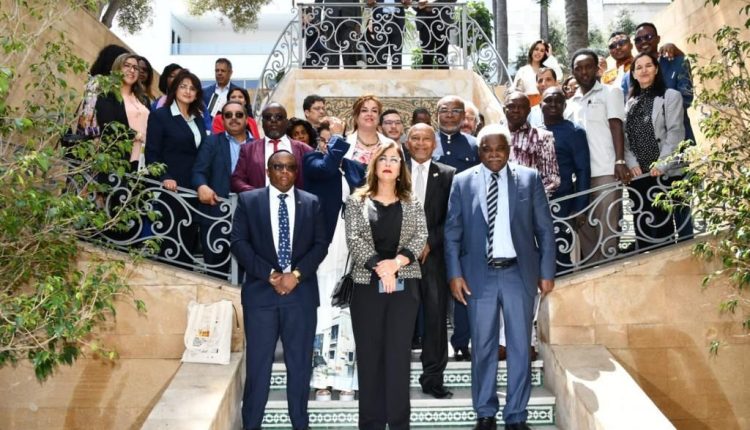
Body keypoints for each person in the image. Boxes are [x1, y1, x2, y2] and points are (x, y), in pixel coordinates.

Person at [444, 124, 555, 430]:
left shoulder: (529, 178)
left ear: (509, 149)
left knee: (520, 346)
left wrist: (546, 271)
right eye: (487, 149)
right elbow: (452, 233)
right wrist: (454, 274)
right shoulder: (462, 181)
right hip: (478, 276)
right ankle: (485, 412)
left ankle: (516, 415)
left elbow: (545, 229)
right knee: (482, 347)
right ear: (479, 151)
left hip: (519, 273)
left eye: (499, 149)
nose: (494, 155)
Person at [231, 150, 328, 430]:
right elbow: (239, 243)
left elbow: (320, 244)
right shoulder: (249, 201)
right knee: (258, 366)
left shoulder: (311, 202)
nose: (284, 172)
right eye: (278, 166)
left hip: (300, 295)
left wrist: (295, 275)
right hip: (261, 295)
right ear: (268, 171)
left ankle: (300, 423)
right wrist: (270, 274)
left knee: (300, 366)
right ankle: (252, 424)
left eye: (290, 167)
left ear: (296, 172)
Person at [344, 140, 428, 430]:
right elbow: (354, 239)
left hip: (405, 287)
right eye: (383, 159)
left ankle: (399, 424)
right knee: (369, 357)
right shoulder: (356, 201)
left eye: (394, 159)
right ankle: (371, 424)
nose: (389, 164)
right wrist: (382, 267)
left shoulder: (412, 202)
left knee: (398, 357)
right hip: (367, 286)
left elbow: (420, 237)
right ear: (374, 165)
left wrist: (395, 264)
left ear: (401, 167)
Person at [303, 116, 366, 401]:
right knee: (324, 311)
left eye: (338, 140)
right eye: (326, 140)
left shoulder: (356, 168)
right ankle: (322, 380)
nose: (331, 145)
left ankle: (346, 379)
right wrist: (338, 142)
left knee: (349, 311)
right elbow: (328, 167)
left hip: (352, 247)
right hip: (324, 247)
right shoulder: (312, 162)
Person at [405, 123, 456, 399]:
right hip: (399, 258)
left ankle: (433, 378)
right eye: (415, 138)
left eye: (426, 139)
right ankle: (395, 378)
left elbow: (452, 217)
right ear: (407, 143)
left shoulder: (448, 174)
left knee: (436, 318)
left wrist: (428, 241)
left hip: (434, 257)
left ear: (434, 144)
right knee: (399, 318)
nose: (421, 143)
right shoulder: (394, 170)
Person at [568, 49, 630, 264]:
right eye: (579, 68)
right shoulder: (570, 104)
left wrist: (620, 161)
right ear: (573, 72)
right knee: (584, 227)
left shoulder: (610, 92)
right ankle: (593, 269)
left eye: (588, 67)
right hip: (580, 177)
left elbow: (617, 126)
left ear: (597, 69)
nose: (584, 72)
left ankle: (610, 268)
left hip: (605, 170)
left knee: (607, 225)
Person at [432, 95, 479, 362]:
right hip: (432, 223)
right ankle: (431, 343)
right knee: (433, 287)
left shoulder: (474, 145)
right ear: (436, 113)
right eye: (444, 110)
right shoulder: (426, 141)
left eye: (455, 111)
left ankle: (461, 341)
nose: (449, 115)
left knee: (463, 282)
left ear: (463, 116)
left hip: (465, 225)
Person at [624, 53, 685, 250]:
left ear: (656, 69)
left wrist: (662, 164)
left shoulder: (670, 96)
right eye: (638, 67)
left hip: (662, 173)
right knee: (643, 229)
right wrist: (631, 163)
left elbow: (675, 132)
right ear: (633, 74)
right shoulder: (629, 103)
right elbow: (625, 139)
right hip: (639, 175)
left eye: (648, 65)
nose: (644, 70)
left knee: (663, 229)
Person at [145, 69, 207, 264]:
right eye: (183, 86)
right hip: (171, 189)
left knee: (188, 241)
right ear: (175, 89)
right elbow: (152, 154)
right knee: (171, 244)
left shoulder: (198, 118)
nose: (188, 91)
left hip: (193, 189)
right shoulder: (160, 115)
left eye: (192, 88)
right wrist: (165, 177)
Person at [192, 101, 253, 273]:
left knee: (246, 273)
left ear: (246, 119)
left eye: (239, 115)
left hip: (248, 217)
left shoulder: (258, 145)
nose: (234, 118)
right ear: (223, 119)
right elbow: (198, 171)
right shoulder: (211, 142)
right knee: (215, 272)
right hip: (215, 214)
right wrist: (201, 186)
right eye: (228, 115)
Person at [541, 86, 591, 272]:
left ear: (565, 105)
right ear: (540, 104)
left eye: (558, 101)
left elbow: (583, 170)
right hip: (538, 203)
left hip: (561, 202)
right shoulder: (535, 131)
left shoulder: (574, 132)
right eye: (548, 100)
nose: (553, 104)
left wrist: (580, 207)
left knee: (560, 254)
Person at [231, 103, 313, 192]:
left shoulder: (305, 150)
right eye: (268, 117)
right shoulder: (248, 150)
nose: (273, 120)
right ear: (262, 123)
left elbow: (315, 181)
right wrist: (255, 194)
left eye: (279, 117)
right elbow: (237, 180)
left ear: (286, 122)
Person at [96, 53, 149, 171]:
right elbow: (108, 126)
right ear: (117, 69)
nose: (132, 70)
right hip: (116, 158)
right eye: (126, 65)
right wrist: (138, 135)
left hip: (142, 160)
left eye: (135, 68)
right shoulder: (107, 94)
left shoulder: (143, 99)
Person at [504, 91, 560, 195]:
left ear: (529, 110)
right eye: (511, 106)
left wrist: (529, 198)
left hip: (531, 200)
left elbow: (552, 180)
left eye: (522, 107)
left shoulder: (542, 137)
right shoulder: (495, 136)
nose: (516, 110)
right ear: (504, 109)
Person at [513, 40, 562, 107]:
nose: (538, 52)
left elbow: (559, 76)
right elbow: (516, 90)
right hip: (528, 106)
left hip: (547, 106)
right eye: (536, 49)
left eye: (542, 51)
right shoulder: (523, 71)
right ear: (532, 51)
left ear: (544, 54)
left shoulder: (547, 70)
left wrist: (550, 57)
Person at [364, 0, 410, 68]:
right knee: (380, 56)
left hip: (397, 20)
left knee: (397, 57)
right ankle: (382, 75)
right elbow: (367, 3)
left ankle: (397, 75)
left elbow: (407, 4)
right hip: (380, 20)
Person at [346, 95, 389, 165]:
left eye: (374, 111)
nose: (369, 114)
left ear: (379, 117)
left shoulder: (390, 144)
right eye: (364, 110)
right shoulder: (345, 142)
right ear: (356, 116)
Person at [414, 0, 455, 69]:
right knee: (427, 57)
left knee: (443, 57)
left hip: (443, 21)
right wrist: (419, 5)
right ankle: (426, 76)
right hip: (424, 22)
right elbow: (412, 2)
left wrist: (432, 4)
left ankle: (444, 76)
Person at [202, 58, 239, 125]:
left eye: (223, 71)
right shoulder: (205, 92)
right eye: (217, 70)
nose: (219, 73)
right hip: (211, 129)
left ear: (230, 73)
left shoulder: (239, 92)